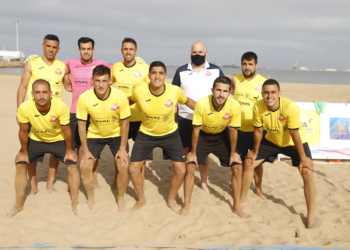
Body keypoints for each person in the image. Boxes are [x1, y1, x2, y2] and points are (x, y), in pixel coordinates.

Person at [241, 79, 316, 228]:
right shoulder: (258, 106)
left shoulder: (290, 107)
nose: (269, 95)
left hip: (293, 143)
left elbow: (294, 133)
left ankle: (311, 215)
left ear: (279, 93)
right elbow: (258, 130)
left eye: (273, 92)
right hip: (272, 140)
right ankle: (242, 200)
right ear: (262, 94)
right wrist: (255, 151)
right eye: (266, 92)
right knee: (249, 162)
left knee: (307, 172)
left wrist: (303, 158)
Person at [129, 61, 196, 213]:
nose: (157, 76)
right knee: (133, 169)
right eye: (154, 73)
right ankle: (141, 199)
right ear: (149, 76)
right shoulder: (139, 91)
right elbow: (128, 101)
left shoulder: (174, 91)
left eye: (160, 73)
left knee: (181, 170)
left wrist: (206, 111)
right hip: (146, 134)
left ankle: (171, 199)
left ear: (166, 76)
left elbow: (188, 102)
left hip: (170, 135)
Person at [8, 80, 79, 217]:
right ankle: (18, 205)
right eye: (38, 92)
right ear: (33, 94)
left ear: (50, 94)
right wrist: (24, 151)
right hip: (36, 140)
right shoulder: (24, 107)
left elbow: (67, 130)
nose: (41, 96)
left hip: (58, 140)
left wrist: (69, 150)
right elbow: (23, 131)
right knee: (20, 165)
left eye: (45, 92)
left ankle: (74, 203)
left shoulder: (60, 106)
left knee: (72, 165)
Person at [184, 76, 247, 217]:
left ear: (230, 92)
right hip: (203, 136)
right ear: (212, 90)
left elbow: (234, 131)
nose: (221, 94)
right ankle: (186, 206)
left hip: (221, 136)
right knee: (190, 166)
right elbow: (195, 130)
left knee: (237, 167)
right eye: (218, 90)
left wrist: (232, 153)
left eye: (225, 91)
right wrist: (193, 152)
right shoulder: (202, 104)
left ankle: (237, 207)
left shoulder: (234, 105)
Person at [16, 34, 70, 194]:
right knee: (30, 150)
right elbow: (23, 87)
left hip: (55, 115)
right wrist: (19, 109)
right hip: (34, 113)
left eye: (54, 47)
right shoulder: (31, 65)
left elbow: (69, 86)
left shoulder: (63, 66)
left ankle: (49, 183)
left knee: (55, 151)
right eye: (48, 46)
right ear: (43, 46)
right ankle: (33, 186)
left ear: (58, 49)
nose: (51, 49)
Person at [77, 65, 130, 212]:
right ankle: (91, 197)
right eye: (97, 81)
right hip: (95, 135)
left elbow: (125, 123)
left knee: (123, 165)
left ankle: (120, 198)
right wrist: (85, 151)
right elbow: (81, 125)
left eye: (104, 81)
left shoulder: (119, 96)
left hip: (116, 135)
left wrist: (122, 148)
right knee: (85, 167)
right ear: (92, 80)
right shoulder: (85, 98)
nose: (101, 85)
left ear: (110, 81)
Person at [172, 41, 224, 193]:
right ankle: (183, 177)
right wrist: (174, 114)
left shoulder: (216, 70)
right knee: (185, 150)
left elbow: (224, 91)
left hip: (208, 120)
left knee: (203, 152)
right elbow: (174, 94)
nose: (197, 55)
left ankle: (203, 182)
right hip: (185, 118)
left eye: (200, 52)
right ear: (190, 53)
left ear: (206, 53)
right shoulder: (181, 71)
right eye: (194, 52)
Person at [65, 37, 111, 189]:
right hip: (75, 111)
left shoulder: (101, 64)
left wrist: (140, 63)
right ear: (79, 50)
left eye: (89, 48)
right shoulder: (71, 63)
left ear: (93, 50)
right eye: (83, 49)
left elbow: (119, 71)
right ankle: (74, 178)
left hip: (94, 112)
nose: (86, 51)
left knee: (92, 149)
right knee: (74, 148)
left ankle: (94, 178)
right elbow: (56, 69)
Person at [227, 52, 268, 200]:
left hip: (257, 129)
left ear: (256, 65)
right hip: (238, 130)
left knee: (255, 162)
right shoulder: (236, 79)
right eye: (244, 64)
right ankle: (238, 189)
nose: (247, 67)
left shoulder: (263, 82)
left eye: (250, 64)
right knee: (239, 162)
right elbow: (220, 79)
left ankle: (258, 188)